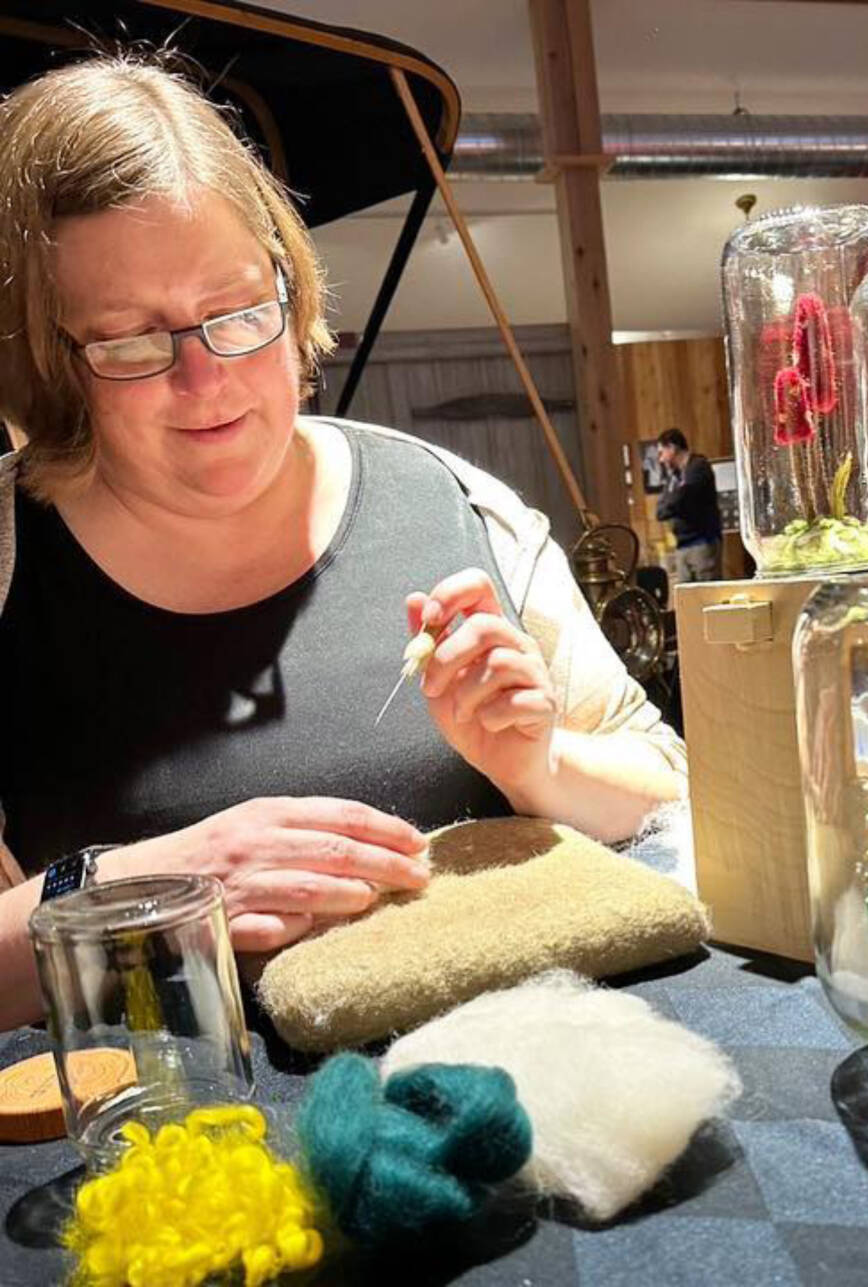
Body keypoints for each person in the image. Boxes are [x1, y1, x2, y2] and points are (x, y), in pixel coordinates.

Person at [0, 55, 687, 1032]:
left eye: (239, 311)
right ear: (42, 358)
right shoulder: (10, 565)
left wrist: (538, 764)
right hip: (167, 1160)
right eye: (130, 341)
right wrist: (147, 895)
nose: (210, 383)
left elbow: (670, 800)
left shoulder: (455, 506)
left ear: (289, 285)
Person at [654, 428, 722, 583]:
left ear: (672, 448)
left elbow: (683, 497)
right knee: (686, 598)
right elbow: (660, 511)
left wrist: (673, 502)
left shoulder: (698, 467)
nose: (661, 459)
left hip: (702, 543)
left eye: (661, 452)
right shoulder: (674, 478)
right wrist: (673, 501)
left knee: (706, 595)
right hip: (681, 546)